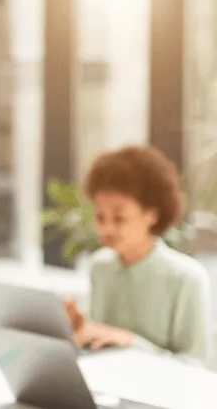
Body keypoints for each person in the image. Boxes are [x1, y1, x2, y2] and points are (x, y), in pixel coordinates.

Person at [63, 145, 212, 365]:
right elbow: (99, 344)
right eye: (101, 217)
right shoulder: (100, 267)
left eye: (119, 218)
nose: (107, 229)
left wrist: (131, 342)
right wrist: (77, 330)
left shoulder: (187, 278)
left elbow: (197, 365)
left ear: (151, 215)